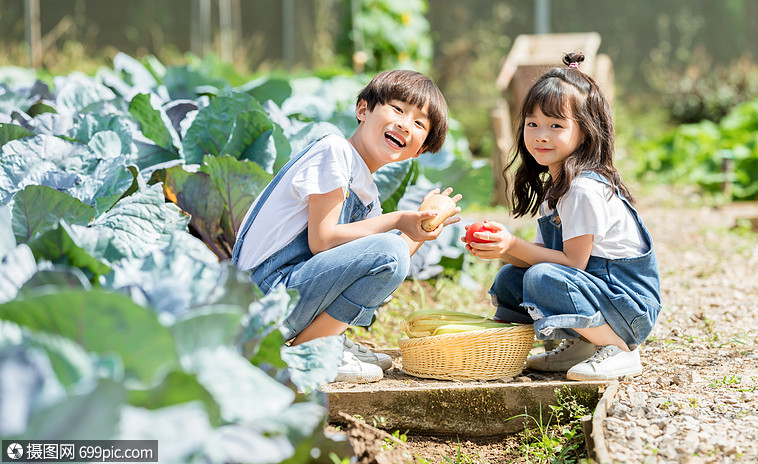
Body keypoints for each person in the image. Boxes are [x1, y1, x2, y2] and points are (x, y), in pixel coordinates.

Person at [233, 69, 461, 383]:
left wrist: (420, 230)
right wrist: (397, 220)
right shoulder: (334, 151)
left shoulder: (367, 192)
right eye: (397, 109)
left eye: (419, 123)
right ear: (363, 109)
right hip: (261, 299)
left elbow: (390, 264)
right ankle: (311, 349)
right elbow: (323, 241)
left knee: (390, 254)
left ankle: (325, 339)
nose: (405, 124)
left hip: (287, 296)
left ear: (420, 150)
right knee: (389, 249)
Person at [464, 52, 660, 381]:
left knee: (542, 279)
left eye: (556, 125)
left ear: (585, 132)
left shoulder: (583, 189)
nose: (541, 135)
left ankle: (621, 350)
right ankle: (581, 344)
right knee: (512, 278)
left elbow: (571, 265)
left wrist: (512, 242)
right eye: (533, 124)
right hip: (598, 293)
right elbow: (541, 258)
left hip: (628, 308)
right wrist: (501, 248)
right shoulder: (555, 188)